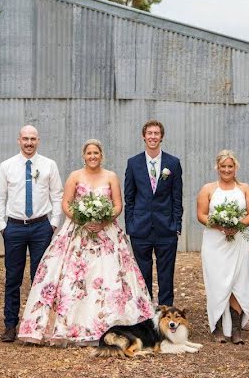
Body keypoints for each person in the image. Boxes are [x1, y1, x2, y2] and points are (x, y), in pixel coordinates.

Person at [18, 139, 154, 345]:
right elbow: (66, 203)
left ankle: (112, 325)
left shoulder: (111, 177)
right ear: (84, 155)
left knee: (111, 277)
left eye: (96, 153)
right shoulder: (75, 176)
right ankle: (68, 326)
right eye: (89, 153)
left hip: (106, 233)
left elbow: (118, 205)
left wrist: (103, 221)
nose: (92, 157)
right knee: (72, 278)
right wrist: (82, 219)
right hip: (77, 231)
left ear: (101, 155)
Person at [0, 125, 63, 343]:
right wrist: (2, 226)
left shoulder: (49, 165)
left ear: (38, 141)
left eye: (33, 139)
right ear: (19, 140)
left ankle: (37, 324)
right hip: (14, 228)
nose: (29, 142)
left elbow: (57, 195)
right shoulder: (7, 166)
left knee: (40, 278)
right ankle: (10, 325)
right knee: (12, 278)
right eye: (25, 139)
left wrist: (53, 224)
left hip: (41, 227)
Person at [196, 150, 249, 344]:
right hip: (214, 242)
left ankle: (237, 330)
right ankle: (218, 327)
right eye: (223, 166)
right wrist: (219, 225)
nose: (226, 170)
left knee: (238, 282)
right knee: (217, 283)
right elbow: (201, 214)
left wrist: (237, 226)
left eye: (230, 166)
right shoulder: (208, 189)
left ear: (235, 167)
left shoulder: (245, 189)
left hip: (238, 241)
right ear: (217, 167)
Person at [123, 119, 184, 307]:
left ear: (161, 137)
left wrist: (177, 225)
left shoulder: (172, 163)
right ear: (144, 136)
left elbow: (177, 197)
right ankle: (146, 312)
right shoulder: (133, 163)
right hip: (140, 229)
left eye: (156, 133)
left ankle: (166, 311)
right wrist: (130, 225)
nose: (153, 137)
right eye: (149, 133)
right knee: (142, 273)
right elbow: (129, 197)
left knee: (166, 273)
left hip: (166, 228)